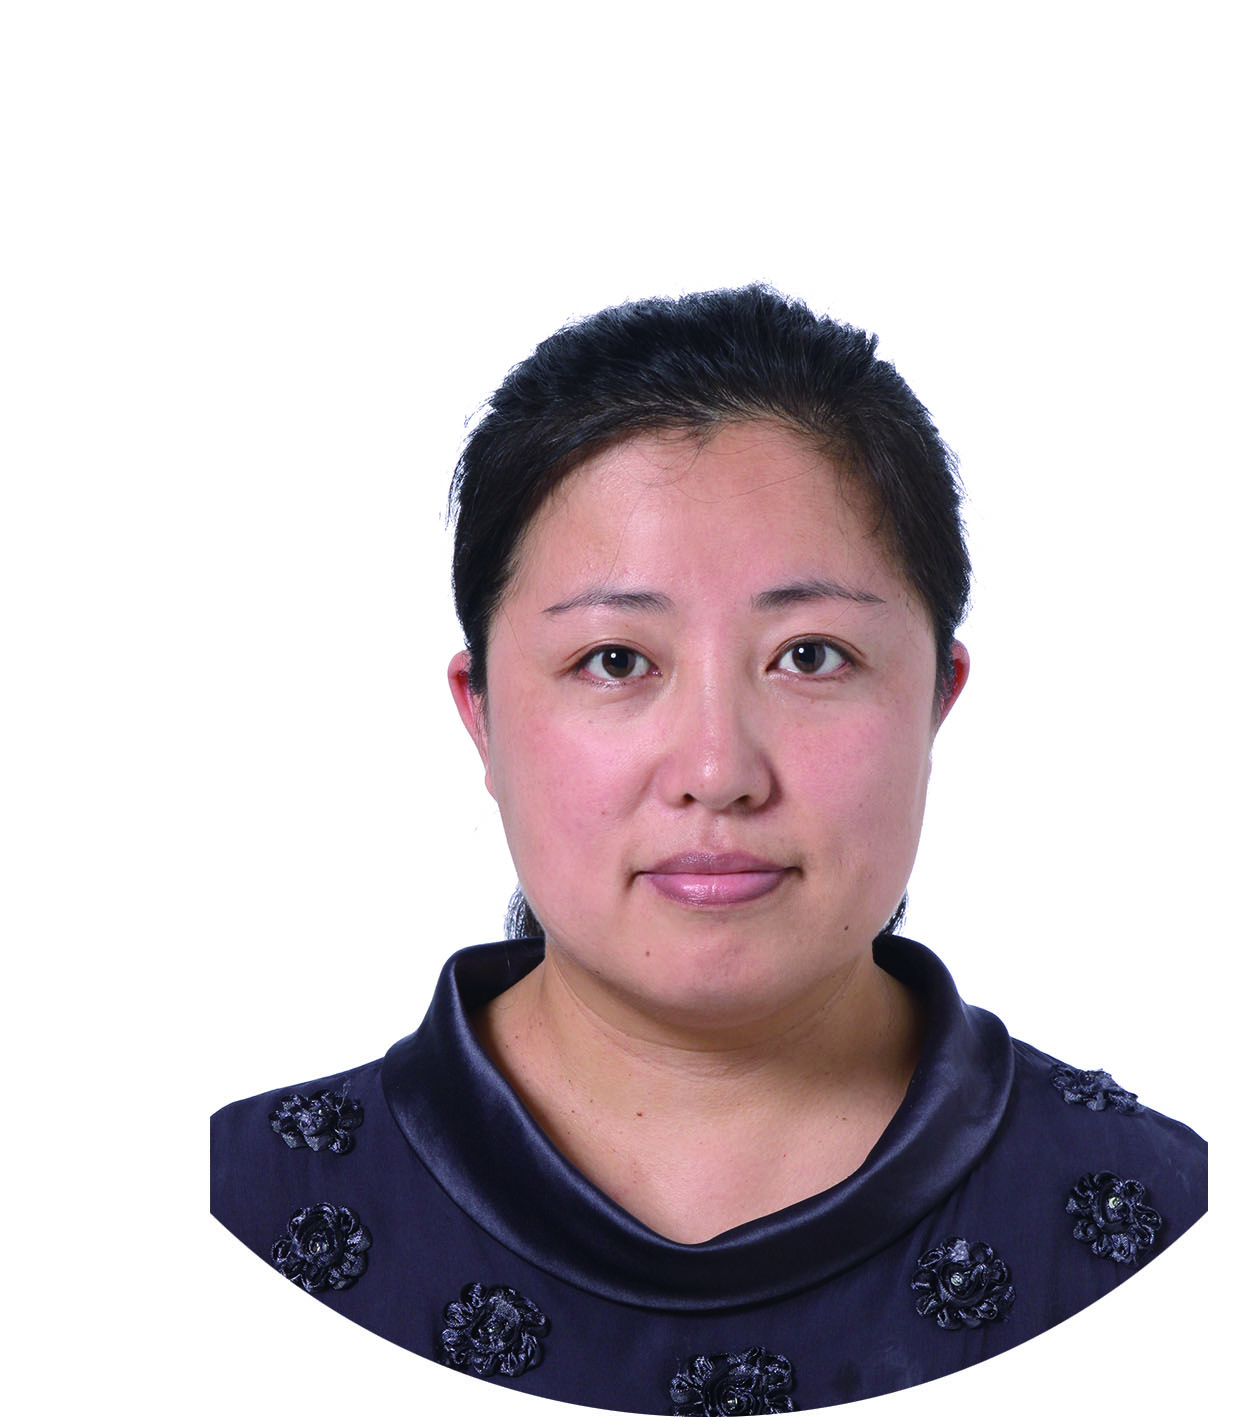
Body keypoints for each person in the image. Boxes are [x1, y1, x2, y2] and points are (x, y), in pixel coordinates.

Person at [210, 286, 1206, 1411]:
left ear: (937, 698)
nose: (718, 768)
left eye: (810, 655)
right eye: (615, 661)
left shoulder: (1160, 1225)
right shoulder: (236, 1215)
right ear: (481, 714)